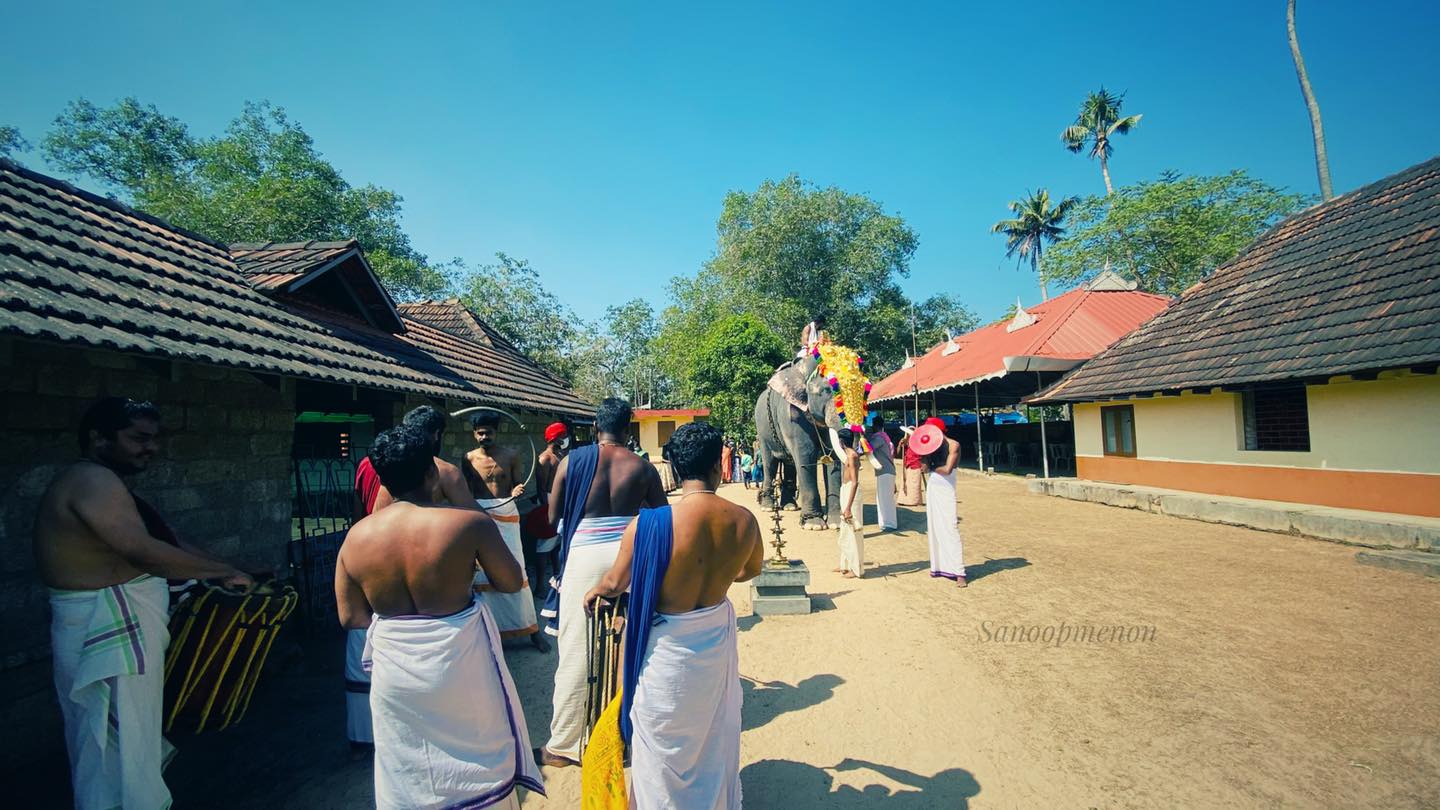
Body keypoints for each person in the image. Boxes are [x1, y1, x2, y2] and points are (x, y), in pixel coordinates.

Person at [35, 397, 252, 810]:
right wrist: (221, 572)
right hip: (100, 625)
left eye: (154, 439)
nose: (149, 448)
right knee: (110, 741)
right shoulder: (92, 480)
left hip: (110, 624)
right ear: (98, 438)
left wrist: (230, 567)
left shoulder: (110, 486)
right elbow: (141, 551)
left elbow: (164, 541)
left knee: (119, 739)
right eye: (138, 438)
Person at [337, 425, 543, 809]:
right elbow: (512, 581)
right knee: (479, 755)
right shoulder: (468, 525)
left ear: (382, 477)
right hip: (459, 664)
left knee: (407, 764)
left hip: (395, 672)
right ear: (432, 473)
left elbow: (351, 617)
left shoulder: (357, 537)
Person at [583, 422, 763, 809]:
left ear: (673, 467)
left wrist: (599, 589)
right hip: (713, 644)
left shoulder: (648, 524)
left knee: (661, 740)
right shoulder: (743, 520)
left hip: (664, 654)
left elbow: (615, 583)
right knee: (710, 733)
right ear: (719, 465)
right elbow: (750, 571)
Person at [540, 397, 666, 768]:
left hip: (583, 556)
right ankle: (627, 736)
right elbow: (660, 520)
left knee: (576, 648)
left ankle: (564, 744)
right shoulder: (642, 468)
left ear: (596, 428)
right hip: (628, 554)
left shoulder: (571, 462)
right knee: (633, 643)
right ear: (629, 429)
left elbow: (552, 517)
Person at [347, 406, 478, 753]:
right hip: (434, 597)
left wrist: (389, 626)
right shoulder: (444, 472)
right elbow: (505, 574)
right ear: (435, 437)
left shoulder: (358, 531)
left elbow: (350, 616)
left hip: (379, 585)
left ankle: (367, 738)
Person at [463, 411, 545, 650]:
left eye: (488, 432)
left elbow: (517, 483)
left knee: (515, 566)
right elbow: (466, 489)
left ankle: (531, 630)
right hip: (479, 514)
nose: (484, 436)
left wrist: (517, 491)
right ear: (474, 434)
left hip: (506, 512)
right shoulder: (468, 459)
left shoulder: (510, 455)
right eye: (480, 433)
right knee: (480, 574)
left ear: (496, 433)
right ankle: (486, 632)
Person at [914, 419, 966, 588]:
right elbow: (925, 464)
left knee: (950, 527)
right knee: (935, 526)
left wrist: (930, 468)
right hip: (933, 488)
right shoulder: (930, 446)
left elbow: (947, 469)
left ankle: (959, 572)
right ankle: (939, 567)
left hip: (946, 486)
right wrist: (924, 460)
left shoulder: (953, 445)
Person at [522, 421, 569, 601]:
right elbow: (542, 488)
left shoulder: (559, 456)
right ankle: (540, 585)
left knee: (556, 545)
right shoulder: (545, 459)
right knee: (544, 547)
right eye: (563, 436)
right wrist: (548, 510)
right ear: (556, 439)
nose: (566, 439)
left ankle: (558, 577)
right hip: (549, 503)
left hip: (559, 503)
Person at [834, 429, 865, 579]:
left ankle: (856, 568)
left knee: (853, 530)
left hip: (851, 493)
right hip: (845, 491)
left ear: (841, 441)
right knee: (845, 530)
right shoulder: (848, 455)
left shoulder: (852, 456)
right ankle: (845, 565)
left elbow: (855, 482)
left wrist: (847, 507)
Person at [868, 422, 898, 530]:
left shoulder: (879, 439)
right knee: (883, 499)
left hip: (885, 471)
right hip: (886, 471)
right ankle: (885, 523)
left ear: (876, 426)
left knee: (885, 500)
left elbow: (868, 448)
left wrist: (863, 438)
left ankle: (889, 524)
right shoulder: (885, 438)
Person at [895, 427, 926, 507]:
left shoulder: (919, 442)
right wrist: (900, 444)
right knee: (905, 483)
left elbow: (923, 454)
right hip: (907, 464)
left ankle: (914, 501)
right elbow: (897, 453)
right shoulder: (905, 442)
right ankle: (903, 499)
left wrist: (923, 464)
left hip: (916, 464)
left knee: (915, 484)